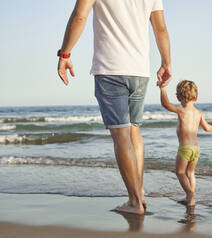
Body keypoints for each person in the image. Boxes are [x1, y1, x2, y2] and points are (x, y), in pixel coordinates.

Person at [57, 0, 171, 215]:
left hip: (110, 69)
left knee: (121, 135)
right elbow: (161, 28)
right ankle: (140, 193)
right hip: (140, 71)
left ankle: (135, 201)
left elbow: (79, 16)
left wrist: (65, 54)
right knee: (134, 130)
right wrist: (166, 62)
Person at [159, 80, 212, 206]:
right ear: (196, 97)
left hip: (185, 148)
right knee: (190, 173)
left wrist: (162, 89)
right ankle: (190, 197)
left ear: (178, 97)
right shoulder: (199, 113)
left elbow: (165, 104)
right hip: (196, 149)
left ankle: (190, 193)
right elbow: (206, 128)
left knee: (180, 172)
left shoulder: (181, 110)